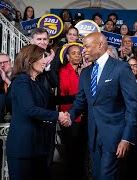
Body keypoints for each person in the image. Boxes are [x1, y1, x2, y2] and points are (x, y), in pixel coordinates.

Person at [64, 32, 137, 180]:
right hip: (93, 136)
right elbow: (80, 101)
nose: (83, 51)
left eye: (86, 47)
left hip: (115, 137)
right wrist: (70, 116)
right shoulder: (86, 72)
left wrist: (127, 138)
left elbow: (132, 105)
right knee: (98, 176)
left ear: (100, 45)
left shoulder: (121, 68)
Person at [6, 44, 68, 180]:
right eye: (42, 58)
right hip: (23, 147)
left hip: (39, 146)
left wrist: (80, 97)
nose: (45, 61)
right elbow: (29, 109)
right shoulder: (21, 81)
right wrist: (58, 115)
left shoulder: (36, 82)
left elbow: (52, 100)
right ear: (30, 61)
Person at [58, 44, 90, 180]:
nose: (77, 55)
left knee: (83, 151)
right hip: (70, 116)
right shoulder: (63, 71)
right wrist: (82, 76)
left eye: (79, 53)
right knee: (71, 151)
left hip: (85, 117)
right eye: (74, 53)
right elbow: (68, 92)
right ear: (67, 56)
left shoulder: (86, 70)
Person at [29, 27, 58, 168]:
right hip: (32, 111)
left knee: (48, 149)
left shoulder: (52, 58)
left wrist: (48, 66)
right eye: (39, 39)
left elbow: (54, 82)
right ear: (31, 41)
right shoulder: (23, 56)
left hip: (49, 110)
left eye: (45, 39)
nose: (42, 42)